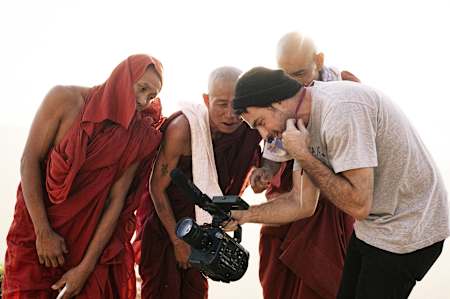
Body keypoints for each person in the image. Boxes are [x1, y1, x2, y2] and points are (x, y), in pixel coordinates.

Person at [230, 66, 449, 299]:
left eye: (261, 122)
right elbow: (302, 203)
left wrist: (304, 156)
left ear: (278, 103)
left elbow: (358, 206)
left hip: (410, 227)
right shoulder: (302, 124)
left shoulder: (340, 113)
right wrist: (244, 215)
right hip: (374, 225)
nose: (265, 136)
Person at [2, 54, 164, 299]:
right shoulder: (65, 100)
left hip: (87, 242)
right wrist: (43, 232)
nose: (143, 100)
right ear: (122, 78)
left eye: (151, 96)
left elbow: (116, 202)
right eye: (141, 88)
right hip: (36, 230)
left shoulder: (138, 134)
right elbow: (29, 161)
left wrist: (85, 268)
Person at [250, 32, 358, 299]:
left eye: (299, 73)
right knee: (276, 263)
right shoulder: (274, 93)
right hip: (290, 195)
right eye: (286, 75)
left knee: (324, 277)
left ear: (318, 60)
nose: (293, 83)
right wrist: (266, 171)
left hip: (331, 200)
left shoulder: (345, 86)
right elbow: (274, 148)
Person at [138, 66, 261, 299]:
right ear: (207, 100)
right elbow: (156, 187)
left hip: (205, 236)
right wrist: (178, 242)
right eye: (222, 104)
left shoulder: (249, 128)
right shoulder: (183, 129)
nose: (230, 114)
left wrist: (261, 173)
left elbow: (262, 161)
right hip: (167, 230)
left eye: (237, 105)